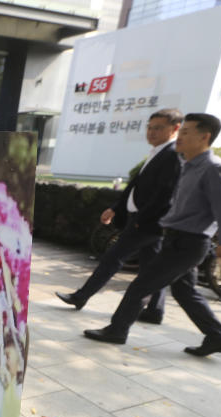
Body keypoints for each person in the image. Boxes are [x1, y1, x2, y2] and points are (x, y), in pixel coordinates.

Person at [83, 113, 221, 356]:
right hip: (176, 238)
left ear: (204, 136)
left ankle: (117, 330)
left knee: (140, 286)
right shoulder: (187, 164)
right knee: (184, 291)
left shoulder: (215, 169)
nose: (180, 136)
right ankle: (218, 337)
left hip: (189, 242)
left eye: (186, 132)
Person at [56, 108, 184, 324]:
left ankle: (81, 297)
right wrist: (116, 207)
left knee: (112, 258)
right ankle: (155, 311)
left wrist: (141, 221)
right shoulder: (158, 152)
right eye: (150, 127)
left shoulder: (172, 155)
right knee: (152, 268)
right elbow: (136, 186)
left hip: (147, 223)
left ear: (175, 129)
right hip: (146, 222)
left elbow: (164, 196)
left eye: (158, 128)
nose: (151, 132)